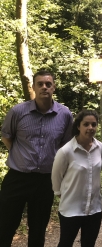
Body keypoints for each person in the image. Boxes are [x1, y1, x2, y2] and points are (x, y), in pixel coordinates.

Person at [0, 70, 73, 247]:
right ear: (33, 87)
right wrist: (19, 155)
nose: (44, 87)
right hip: (18, 178)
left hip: (45, 181)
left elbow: (66, 145)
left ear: (54, 87)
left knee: (38, 230)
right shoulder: (18, 111)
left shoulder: (64, 114)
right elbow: (6, 136)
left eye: (48, 84)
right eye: (40, 84)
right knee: (5, 226)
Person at [52, 110, 102, 247]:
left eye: (93, 124)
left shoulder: (100, 148)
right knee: (65, 243)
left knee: (89, 243)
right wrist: (60, 194)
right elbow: (56, 178)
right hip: (71, 209)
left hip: (94, 208)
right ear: (78, 126)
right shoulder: (66, 151)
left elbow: (98, 169)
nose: (90, 128)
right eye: (86, 124)